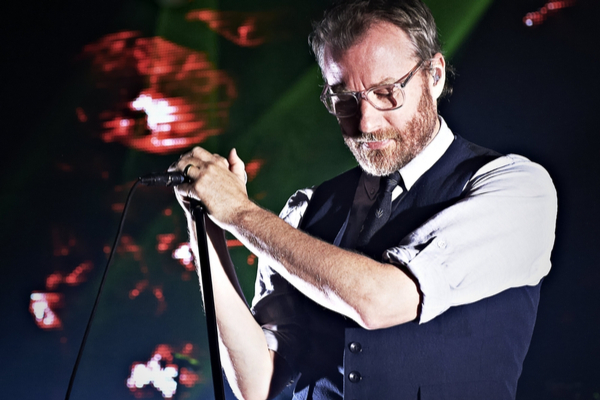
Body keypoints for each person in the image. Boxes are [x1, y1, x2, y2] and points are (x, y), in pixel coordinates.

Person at [171, 0, 557, 399]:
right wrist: (207, 224)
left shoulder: (516, 190)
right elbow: (257, 383)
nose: (365, 122)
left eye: (386, 93)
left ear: (435, 75)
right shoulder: (307, 209)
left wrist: (239, 211)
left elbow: (379, 302)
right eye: (344, 98)